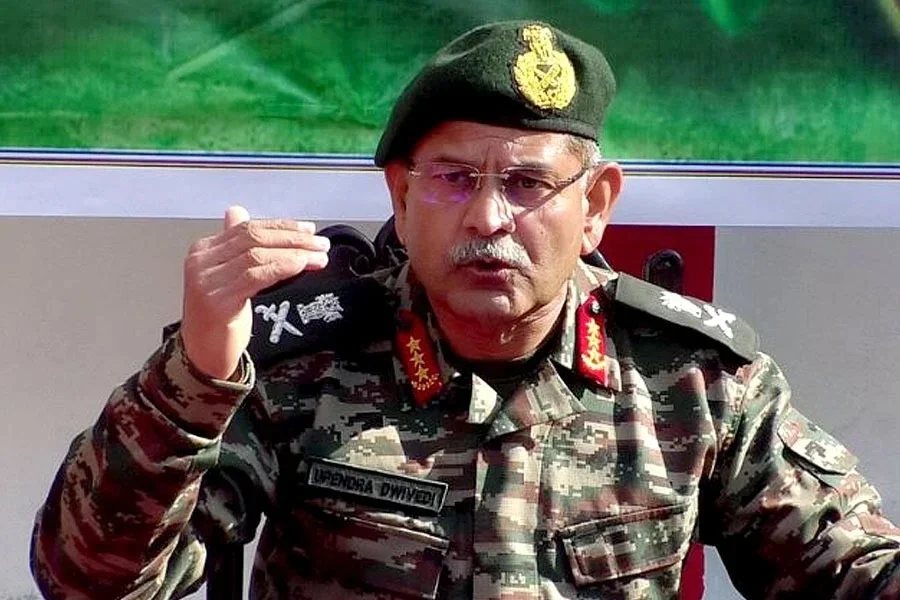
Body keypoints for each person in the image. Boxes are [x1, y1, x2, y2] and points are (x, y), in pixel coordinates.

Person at [30, 20, 900, 600]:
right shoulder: (297, 363)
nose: (487, 218)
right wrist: (197, 373)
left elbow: (854, 574)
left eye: (526, 184)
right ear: (401, 197)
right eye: (453, 179)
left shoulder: (693, 381)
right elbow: (90, 582)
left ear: (595, 206)